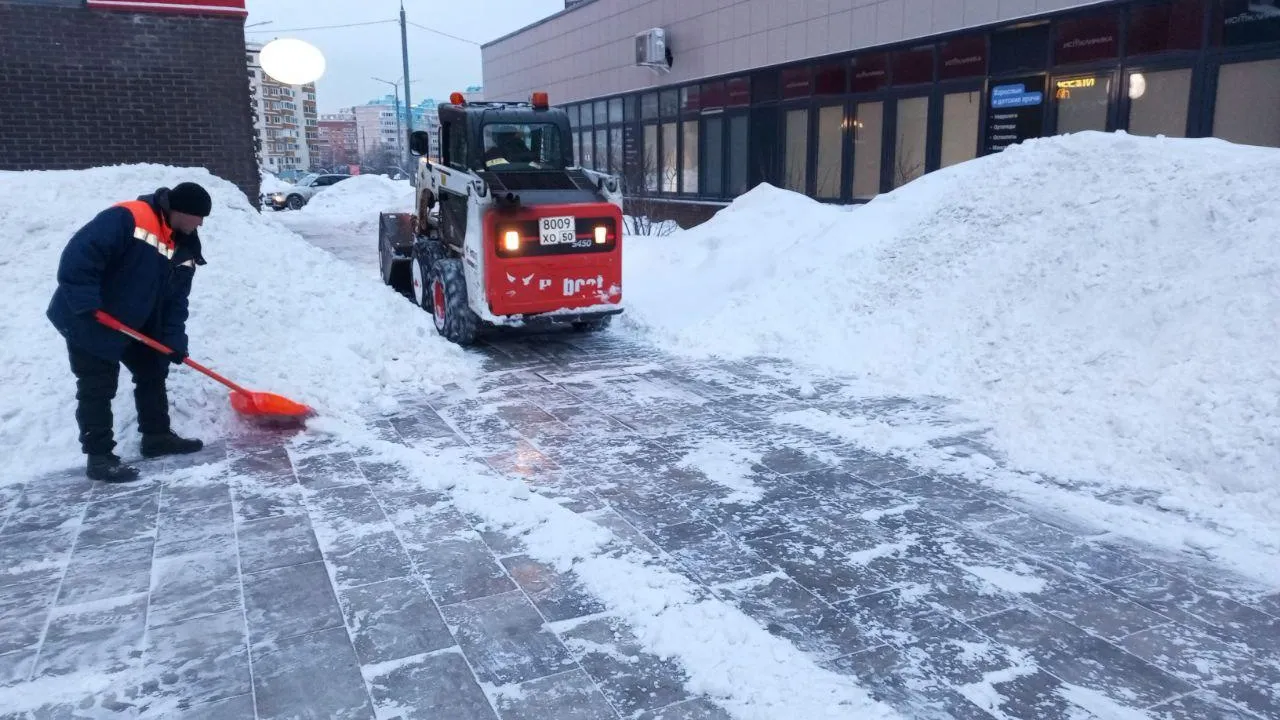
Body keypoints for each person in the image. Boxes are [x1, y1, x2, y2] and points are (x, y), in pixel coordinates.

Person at [46, 182, 212, 483]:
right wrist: (86, 302)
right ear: (181, 211)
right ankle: (99, 458)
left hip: (134, 319)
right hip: (90, 315)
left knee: (153, 369)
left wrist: (173, 341)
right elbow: (78, 257)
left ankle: (156, 437)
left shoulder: (185, 247)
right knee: (98, 384)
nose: (200, 224)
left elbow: (176, 301)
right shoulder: (130, 217)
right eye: (198, 217)